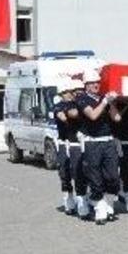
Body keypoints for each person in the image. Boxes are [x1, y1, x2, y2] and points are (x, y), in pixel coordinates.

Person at [76, 70, 123, 225]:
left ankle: (108, 204)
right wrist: (104, 103)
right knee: (95, 177)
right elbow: (93, 115)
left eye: (97, 82)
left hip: (108, 141)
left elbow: (117, 118)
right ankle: (99, 208)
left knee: (113, 177)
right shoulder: (82, 99)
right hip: (92, 142)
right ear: (86, 86)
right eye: (92, 83)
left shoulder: (104, 97)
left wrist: (111, 103)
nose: (96, 85)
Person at [52, 81, 84, 215]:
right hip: (64, 142)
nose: (70, 94)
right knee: (65, 173)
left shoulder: (78, 104)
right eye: (66, 92)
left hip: (78, 142)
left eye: (71, 91)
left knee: (80, 173)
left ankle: (83, 201)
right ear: (61, 94)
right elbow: (63, 117)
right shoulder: (59, 106)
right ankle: (69, 201)